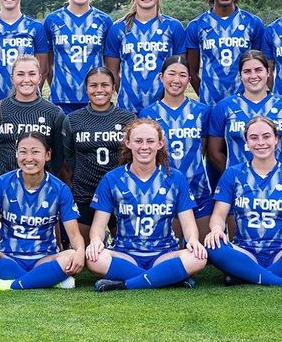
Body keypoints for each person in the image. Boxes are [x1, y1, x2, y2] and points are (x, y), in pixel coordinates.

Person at [203, 116, 282, 287]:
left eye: (266, 136)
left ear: (276, 139)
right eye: (254, 138)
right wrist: (216, 230)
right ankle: (281, 280)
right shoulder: (233, 174)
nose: (261, 142)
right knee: (214, 246)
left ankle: (245, 274)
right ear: (246, 142)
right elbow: (218, 216)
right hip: (244, 250)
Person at [84, 119, 207, 291]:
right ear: (128, 143)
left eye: (150, 141)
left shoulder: (175, 178)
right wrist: (96, 241)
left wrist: (193, 240)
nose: (144, 147)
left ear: (160, 143)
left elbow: (189, 224)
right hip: (125, 254)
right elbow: (98, 226)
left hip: (165, 254)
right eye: (138, 141)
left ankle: (126, 284)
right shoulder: (112, 178)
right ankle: (166, 277)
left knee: (198, 258)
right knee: (94, 259)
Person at [0, 133, 84, 291]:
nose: (28, 158)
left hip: (44, 258)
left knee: (71, 256)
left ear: (48, 154)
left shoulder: (60, 189)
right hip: (9, 258)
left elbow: (74, 234)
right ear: (16, 154)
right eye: (23, 152)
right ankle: (46, 279)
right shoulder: (2, 183)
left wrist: (80, 252)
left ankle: (8, 285)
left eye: (35, 152)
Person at [60, 67, 136, 244]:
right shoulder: (73, 119)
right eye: (93, 85)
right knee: (84, 253)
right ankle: (102, 237)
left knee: (128, 249)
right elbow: (69, 157)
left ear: (113, 86)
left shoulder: (127, 118)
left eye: (105, 85)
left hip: (120, 193)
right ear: (86, 88)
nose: (99, 90)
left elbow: (133, 157)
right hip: (85, 193)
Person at [140, 56, 213, 235]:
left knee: (206, 250)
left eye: (182, 75)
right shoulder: (148, 113)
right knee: (172, 249)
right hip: (164, 188)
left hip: (198, 188)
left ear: (189, 79)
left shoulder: (202, 111)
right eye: (171, 74)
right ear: (161, 76)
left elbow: (204, 149)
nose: (176, 80)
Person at [105, 0, 187, 114]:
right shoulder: (118, 28)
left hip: (163, 107)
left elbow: (181, 70)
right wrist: (127, 94)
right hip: (127, 108)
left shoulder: (173, 27)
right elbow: (112, 71)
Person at [185, 0, 265, 107]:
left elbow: (260, 67)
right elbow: (191, 70)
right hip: (210, 104)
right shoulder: (196, 25)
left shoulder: (253, 23)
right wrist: (205, 95)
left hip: (246, 103)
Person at [207, 50, 282, 170]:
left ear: (268, 72)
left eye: (258, 70)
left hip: (277, 183)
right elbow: (214, 152)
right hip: (238, 185)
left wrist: (279, 175)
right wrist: (235, 176)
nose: (253, 76)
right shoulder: (224, 107)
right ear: (240, 76)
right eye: (247, 71)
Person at [0, 54, 65, 184]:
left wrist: (45, 181)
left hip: (42, 187)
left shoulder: (54, 113)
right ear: (12, 78)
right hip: (6, 187)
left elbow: (58, 156)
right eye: (20, 74)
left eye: (32, 74)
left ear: (39, 78)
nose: (26, 79)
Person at [44, 0, 112, 115]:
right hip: (61, 100)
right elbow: (47, 64)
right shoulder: (52, 20)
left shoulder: (104, 21)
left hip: (94, 99)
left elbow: (109, 62)